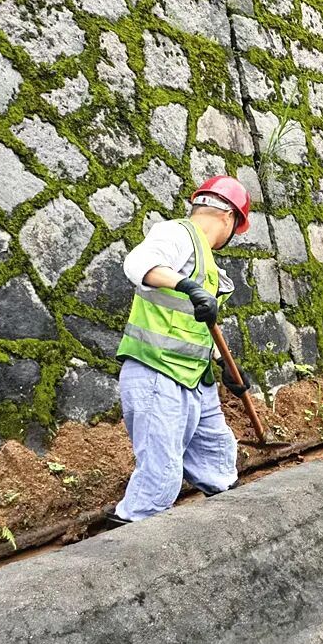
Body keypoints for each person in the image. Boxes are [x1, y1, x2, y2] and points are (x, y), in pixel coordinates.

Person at [109, 176, 254, 524]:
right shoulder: (177, 234)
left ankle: (232, 529)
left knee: (218, 458)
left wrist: (225, 365)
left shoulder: (208, 265)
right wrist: (186, 285)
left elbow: (198, 323)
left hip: (195, 377)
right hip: (158, 372)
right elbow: (137, 263)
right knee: (160, 477)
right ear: (229, 217)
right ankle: (128, 535)